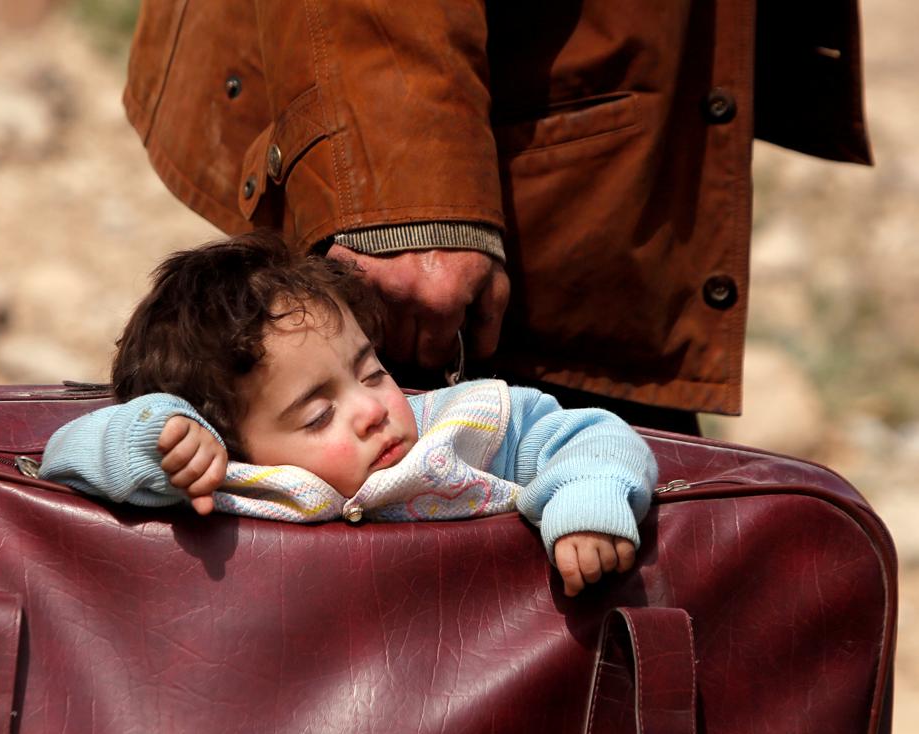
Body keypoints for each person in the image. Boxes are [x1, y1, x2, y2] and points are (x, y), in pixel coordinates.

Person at [121, 1, 871, 430]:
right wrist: (401, 192)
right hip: (449, 220)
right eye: (322, 413)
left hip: (596, 174)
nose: (363, 418)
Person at [40, 234, 657, 597]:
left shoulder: (464, 426)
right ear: (235, 444)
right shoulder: (227, 482)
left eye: (370, 371)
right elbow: (62, 458)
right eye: (316, 416)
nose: (369, 409)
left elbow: (595, 434)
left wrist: (588, 502)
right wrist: (163, 437)